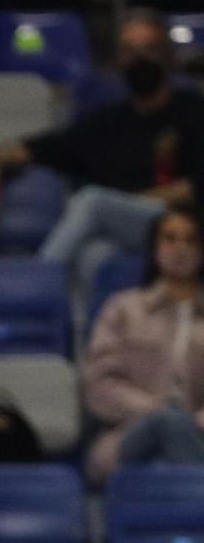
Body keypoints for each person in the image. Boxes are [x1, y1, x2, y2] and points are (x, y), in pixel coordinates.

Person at [0, 15, 204, 287]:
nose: (139, 59)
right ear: (119, 61)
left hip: (180, 224)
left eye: (149, 49)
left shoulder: (194, 111)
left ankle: (30, 284)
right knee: (93, 257)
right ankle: (80, 329)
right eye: (129, 51)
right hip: (121, 227)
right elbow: (45, 148)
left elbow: (195, 185)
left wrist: (128, 203)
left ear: (168, 56)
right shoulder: (107, 120)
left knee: (93, 202)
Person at [85, 204, 204, 478]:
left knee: (176, 431)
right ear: (154, 247)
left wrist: (191, 423)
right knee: (166, 423)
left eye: (190, 239)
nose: (180, 248)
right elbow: (99, 385)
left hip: (199, 437)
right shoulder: (123, 308)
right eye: (170, 238)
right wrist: (155, 412)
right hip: (130, 436)